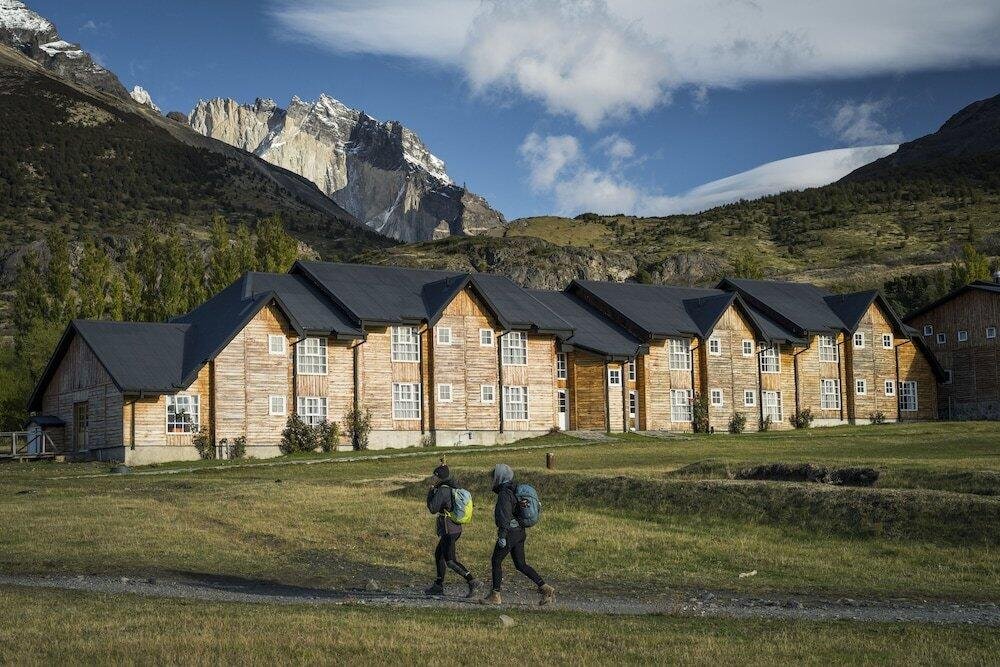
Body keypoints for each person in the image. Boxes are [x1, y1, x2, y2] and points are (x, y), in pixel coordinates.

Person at [482, 463, 555, 606]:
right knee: (521, 564)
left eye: (494, 476)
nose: (492, 479)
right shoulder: (514, 488)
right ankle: (545, 588)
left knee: (496, 561)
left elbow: (504, 515)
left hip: (509, 532)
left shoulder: (504, 493)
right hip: (520, 531)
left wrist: (502, 535)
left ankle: (495, 595)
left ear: (500, 477)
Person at [425, 463, 479, 597]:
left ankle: (472, 581)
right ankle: (438, 585)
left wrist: (431, 492)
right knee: (439, 555)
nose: (433, 478)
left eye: (435, 476)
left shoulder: (443, 490)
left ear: (439, 477)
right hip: (454, 528)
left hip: (448, 529)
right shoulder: (453, 486)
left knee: (450, 560)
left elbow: (432, 508)